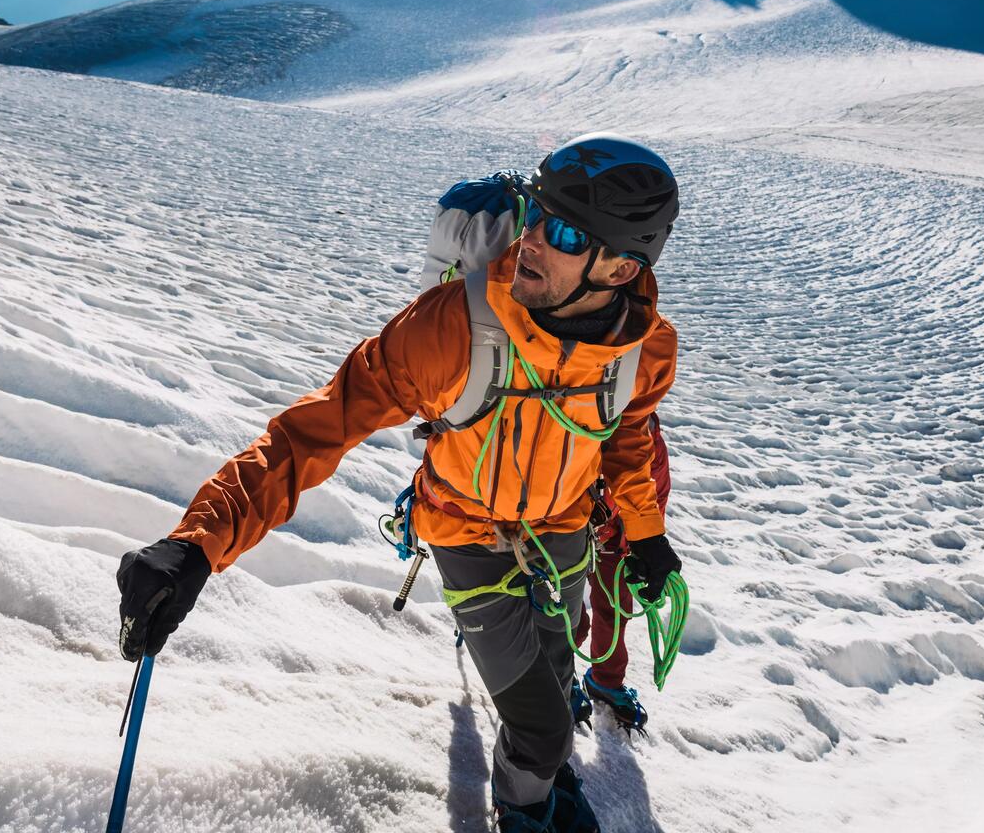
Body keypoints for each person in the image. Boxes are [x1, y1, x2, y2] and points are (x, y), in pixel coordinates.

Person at [116, 133, 683, 833]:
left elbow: (627, 441)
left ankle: (542, 771)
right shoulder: (448, 330)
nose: (530, 239)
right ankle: (523, 808)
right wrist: (197, 545)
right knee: (540, 724)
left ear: (622, 270)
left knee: (555, 689)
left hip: (563, 533)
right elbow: (311, 433)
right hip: (467, 536)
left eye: (562, 231)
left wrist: (648, 538)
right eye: (535, 213)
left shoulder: (645, 351)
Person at [571, 413, 672, 735]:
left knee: (614, 609)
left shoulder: (645, 431)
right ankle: (555, 678)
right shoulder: (570, 416)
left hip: (613, 536)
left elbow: (655, 493)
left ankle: (605, 680)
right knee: (566, 614)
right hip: (563, 531)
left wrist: (643, 545)